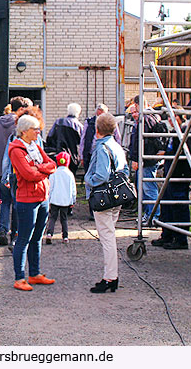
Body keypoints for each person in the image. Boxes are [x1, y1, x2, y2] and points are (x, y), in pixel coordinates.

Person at [8, 114, 57, 291]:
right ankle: (19, 277)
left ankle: (34, 274)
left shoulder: (35, 145)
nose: (38, 132)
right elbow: (28, 175)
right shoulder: (16, 150)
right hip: (27, 200)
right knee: (24, 239)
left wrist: (40, 169)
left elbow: (52, 163)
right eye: (34, 129)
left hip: (43, 197)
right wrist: (43, 171)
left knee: (37, 238)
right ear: (24, 131)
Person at [84, 112, 128, 293]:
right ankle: (111, 276)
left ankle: (110, 277)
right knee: (110, 235)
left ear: (97, 129)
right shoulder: (116, 146)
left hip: (103, 197)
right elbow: (123, 169)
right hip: (116, 195)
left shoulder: (102, 148)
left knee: (107, 238)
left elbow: (101, 175)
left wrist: (89, 180)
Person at [0, 96, 30, 246]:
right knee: (16, 203)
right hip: (15, 170)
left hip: (1, 168)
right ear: (20, 109)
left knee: (4, 202)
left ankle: (2, 230)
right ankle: (15, 235)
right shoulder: (20, 125)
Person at [151, 108, 191, 250]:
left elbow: (184, 155)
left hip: (179, 175)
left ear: (181, 118)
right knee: (167, 205)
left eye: (173, 117)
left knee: (179, 206)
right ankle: (167, 234)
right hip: (170, 174)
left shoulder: (185, 134)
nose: (169, 120)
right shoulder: (174, 133)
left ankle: (181, 238)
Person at [127, 96, 166, 223]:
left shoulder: (145, 119)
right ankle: (150, 214)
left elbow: (140, 141)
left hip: (146, 159)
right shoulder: (154, 116)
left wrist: (135, 158)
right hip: (150, 158)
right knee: (146, 188)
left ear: (138, 104)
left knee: (149, 188)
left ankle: (154, 216)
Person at [80, 103, 121, 220]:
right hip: (90, 154)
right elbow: (83, 139)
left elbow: (118, 138)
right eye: (98, 114)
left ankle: (103, 206)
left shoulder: (111, 126)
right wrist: (81, 155)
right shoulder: (89, 122)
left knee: (101, 180)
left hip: (104, 153)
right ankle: (93, 209)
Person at [45, 151, 76, 244]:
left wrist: (48, 199)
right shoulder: (70, 175)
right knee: (64, 218)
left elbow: (50, 187)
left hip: (55, 199)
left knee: (53, 217)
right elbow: (73, 189)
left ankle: (49, 234)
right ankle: (65, 237)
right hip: (66, 201)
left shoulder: (54, 173)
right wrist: (72, 201)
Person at [46, 103, 83, 172]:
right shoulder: (79, 126)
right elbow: (82, 142)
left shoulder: (59, 122)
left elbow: (50, 137)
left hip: (58, 153)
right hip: (73, 156)